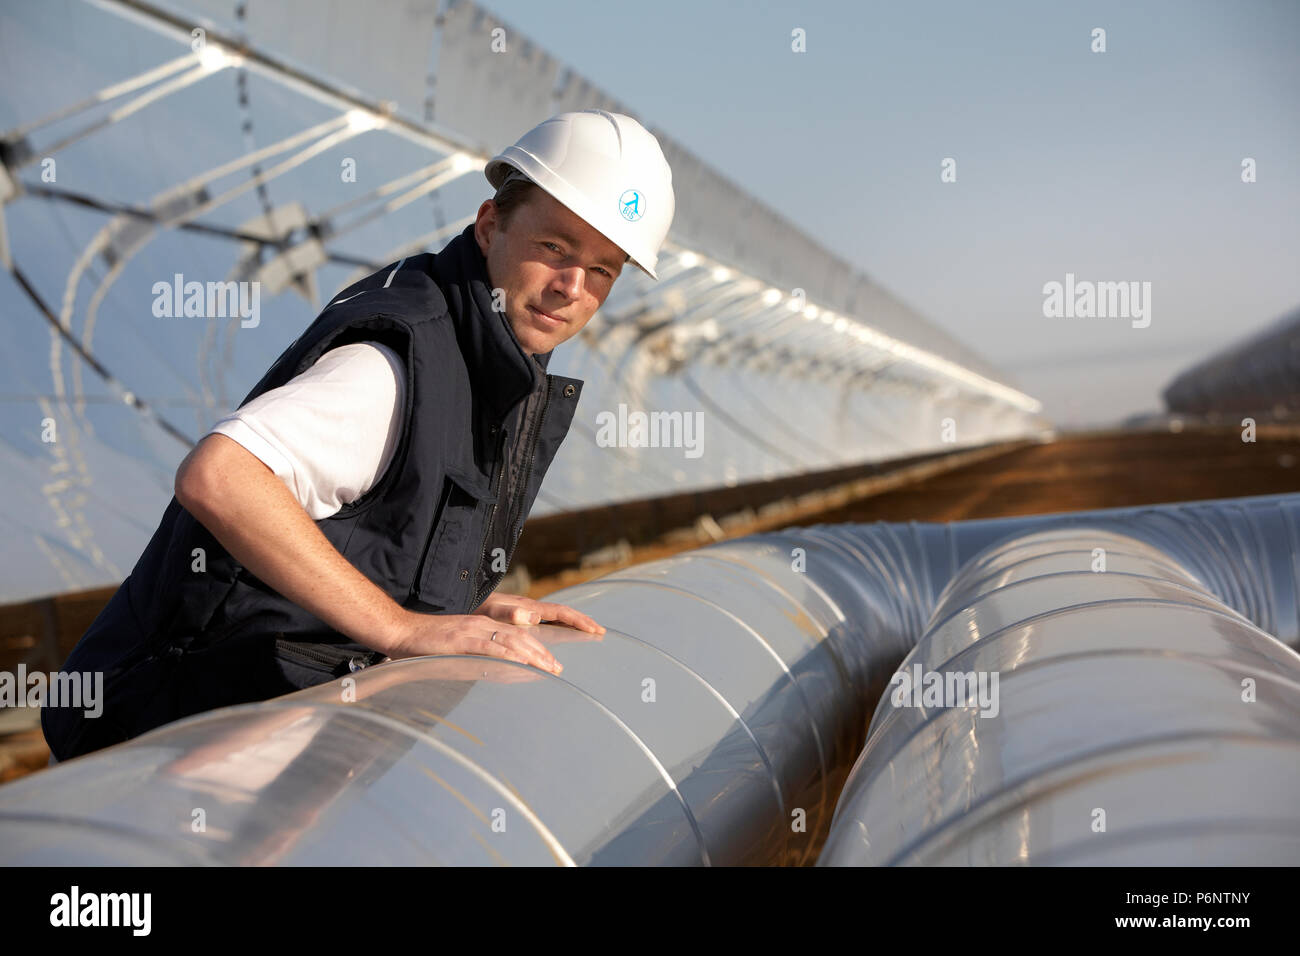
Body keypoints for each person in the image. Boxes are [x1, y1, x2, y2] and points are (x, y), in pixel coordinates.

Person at [42, 109, 676, 761]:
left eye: (603, 269)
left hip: (254, 729)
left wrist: (449, 610)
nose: (572, 287)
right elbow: (222, 476)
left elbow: (379, 534)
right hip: (166, 740)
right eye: (554, 248)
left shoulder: (490, 365)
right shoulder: (396, 365)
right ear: (490, 227)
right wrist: (401, 629)